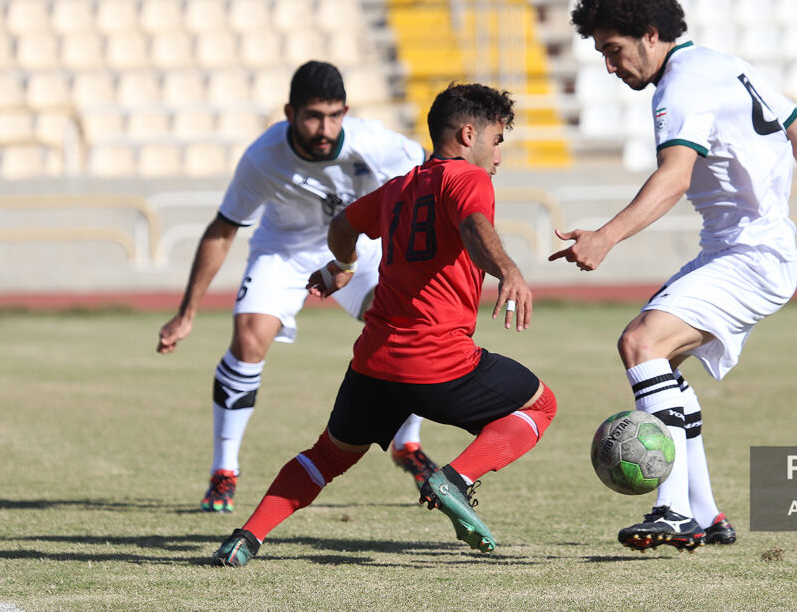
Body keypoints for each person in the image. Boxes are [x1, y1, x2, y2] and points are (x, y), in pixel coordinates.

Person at [552, 0, 797, 552]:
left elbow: (674, 178)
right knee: (661, 363)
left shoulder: (679, 87)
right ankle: (705, 512)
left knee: (640, 345)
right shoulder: (723, 64)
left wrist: (604, 237)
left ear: (650, 34)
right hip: (746, 251)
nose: (609, 66)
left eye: (613, 50)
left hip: (751, 256)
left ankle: (672, 510)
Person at [212, 82, 557, 566]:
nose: (499, 155)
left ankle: (247, 537)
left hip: (375, 361)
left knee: (327, 456)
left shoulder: (398, 188)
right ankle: (455, 479)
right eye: (498, 140)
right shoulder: (469, 179)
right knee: (541, 405)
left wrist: (342, 266)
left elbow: (341, 228)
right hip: (440, 362)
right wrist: (510, 271)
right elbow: (475, 226)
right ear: (467, 133)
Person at [156, 60, 436, 513]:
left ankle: (407, 443)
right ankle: (224, 472)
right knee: (248, 338)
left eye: (334, 115)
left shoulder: (378, 144)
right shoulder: (263, 157)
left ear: (346, 111)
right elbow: (222, 229)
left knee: (416, 327)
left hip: (357, 248)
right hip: (285, 250)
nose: (324, 127)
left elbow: (434, 177)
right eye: (312, 116)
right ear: (289, 112)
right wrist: (186, 313)